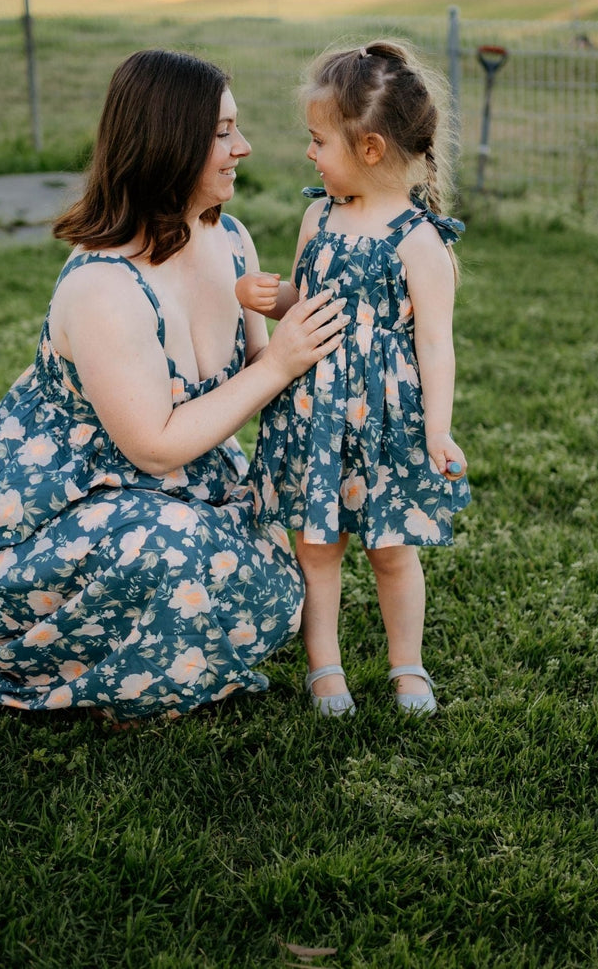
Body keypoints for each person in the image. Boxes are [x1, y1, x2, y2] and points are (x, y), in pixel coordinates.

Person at [0, 49, 348, 721]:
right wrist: (277, 363)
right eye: (223, 131)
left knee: (280, 588)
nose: (245, 147)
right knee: (178, 554)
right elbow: (153, 445)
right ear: (169, 143)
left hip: (183, 479)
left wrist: (348, 338)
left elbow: (268, 382)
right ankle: (84, 647)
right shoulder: (102, 286)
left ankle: (164, 635)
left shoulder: (231, 239)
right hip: (61, 510)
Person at [236, 40, 469, 718]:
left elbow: (436, 343)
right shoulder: (320, 215)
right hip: (314, 408)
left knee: (391, 549)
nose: (310, 153)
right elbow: (303, 300)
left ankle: (407, 666)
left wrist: (438, 428)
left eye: (319, 141)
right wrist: (267, 296)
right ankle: (326, 668)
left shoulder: (420, 240)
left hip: (387, 420)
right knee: (318, 542)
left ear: (369, 148)